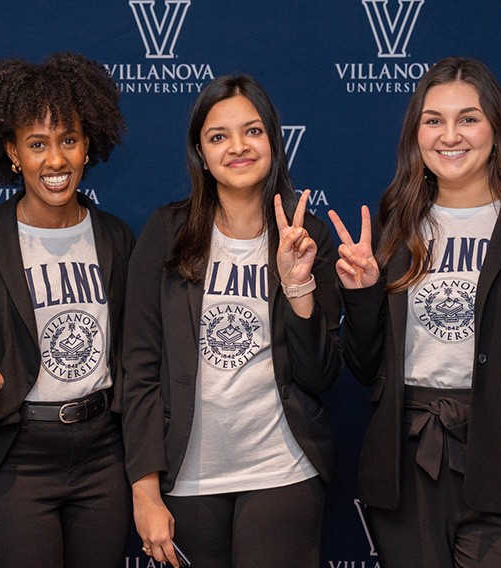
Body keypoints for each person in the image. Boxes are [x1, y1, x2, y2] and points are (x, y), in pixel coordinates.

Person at [330, 56, 501, 567]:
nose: (450, 136)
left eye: (468, 119)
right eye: (433, 120)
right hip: (407, 466)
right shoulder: (388, 231)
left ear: (496, 130)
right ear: (416, 134)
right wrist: (362, 295)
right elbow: (363, 369)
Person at [122, 74, 342, 568]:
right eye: (219, 136)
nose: (238, 147)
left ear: (273, 142)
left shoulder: (308, 236)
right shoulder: (167, 233)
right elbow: (139, 370)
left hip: (284, 471)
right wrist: (144, 491)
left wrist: (298, 286)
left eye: (253, 131)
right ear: (201, 153)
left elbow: (319, 375)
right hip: (187, 478)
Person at [0, 52, 134, 568]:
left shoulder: (116, 238)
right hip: (15, 456)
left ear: (88, 145)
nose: (55, 161)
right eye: (38, 144)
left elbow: (136, 356)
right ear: (13, 151)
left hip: (103, 455)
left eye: (68, 140)